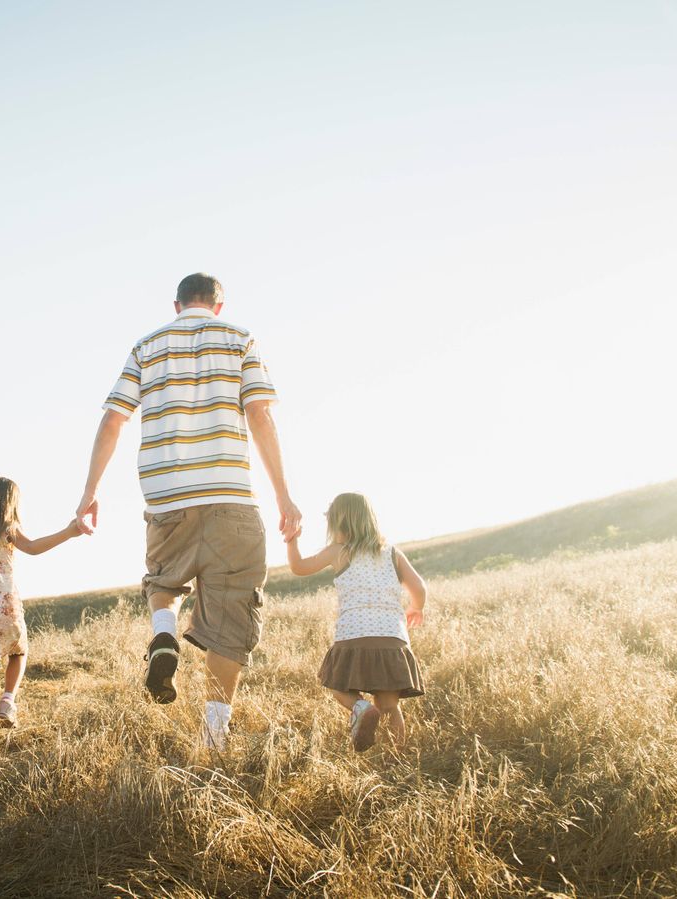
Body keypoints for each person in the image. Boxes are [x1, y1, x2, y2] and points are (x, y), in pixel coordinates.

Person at [75, 273, 301, 749]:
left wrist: (90, 490)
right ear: (219, 306)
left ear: (176, 305)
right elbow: (260, 415)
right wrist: (283, 495)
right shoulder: (240, 339)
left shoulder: (146, 346)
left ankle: (163, 636)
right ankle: (215, 733)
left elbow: (114, 418)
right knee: (232, 613)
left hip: (167, 497)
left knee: (164, 580)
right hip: (231, 497)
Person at [0, 476, 83, 751]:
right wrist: (69, 532)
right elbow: (33, 548)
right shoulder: (7, 528)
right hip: (4, 604)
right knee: (19, 651)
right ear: (9, 503)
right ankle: (8, 700)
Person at [286, 492, 426, 752]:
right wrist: (416, 607)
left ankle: (360, 708)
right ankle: (395, 759)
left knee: (337, 685)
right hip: (391, 638)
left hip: (353, 635)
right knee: (389, 706)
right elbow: (418, 586)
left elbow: (299, 567)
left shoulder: (339, 552)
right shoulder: (392, 553)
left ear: (337, 524)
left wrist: (292, 540)